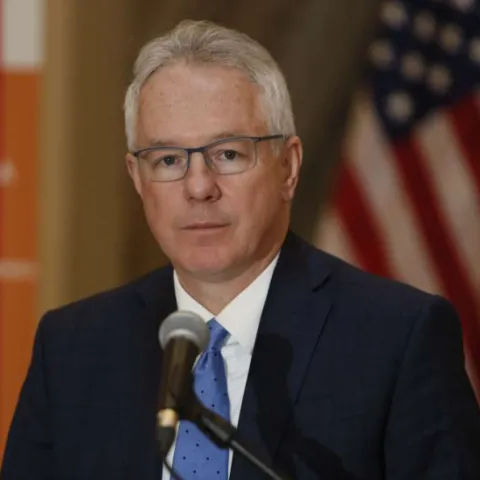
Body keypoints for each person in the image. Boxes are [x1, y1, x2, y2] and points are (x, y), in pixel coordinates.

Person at [2, 19, 480, 480]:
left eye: (228, 154)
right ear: (137, 178)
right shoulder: (73, 348)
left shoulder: (398, 339)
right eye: (167, 160)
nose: (198, 187)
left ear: (288, 167)